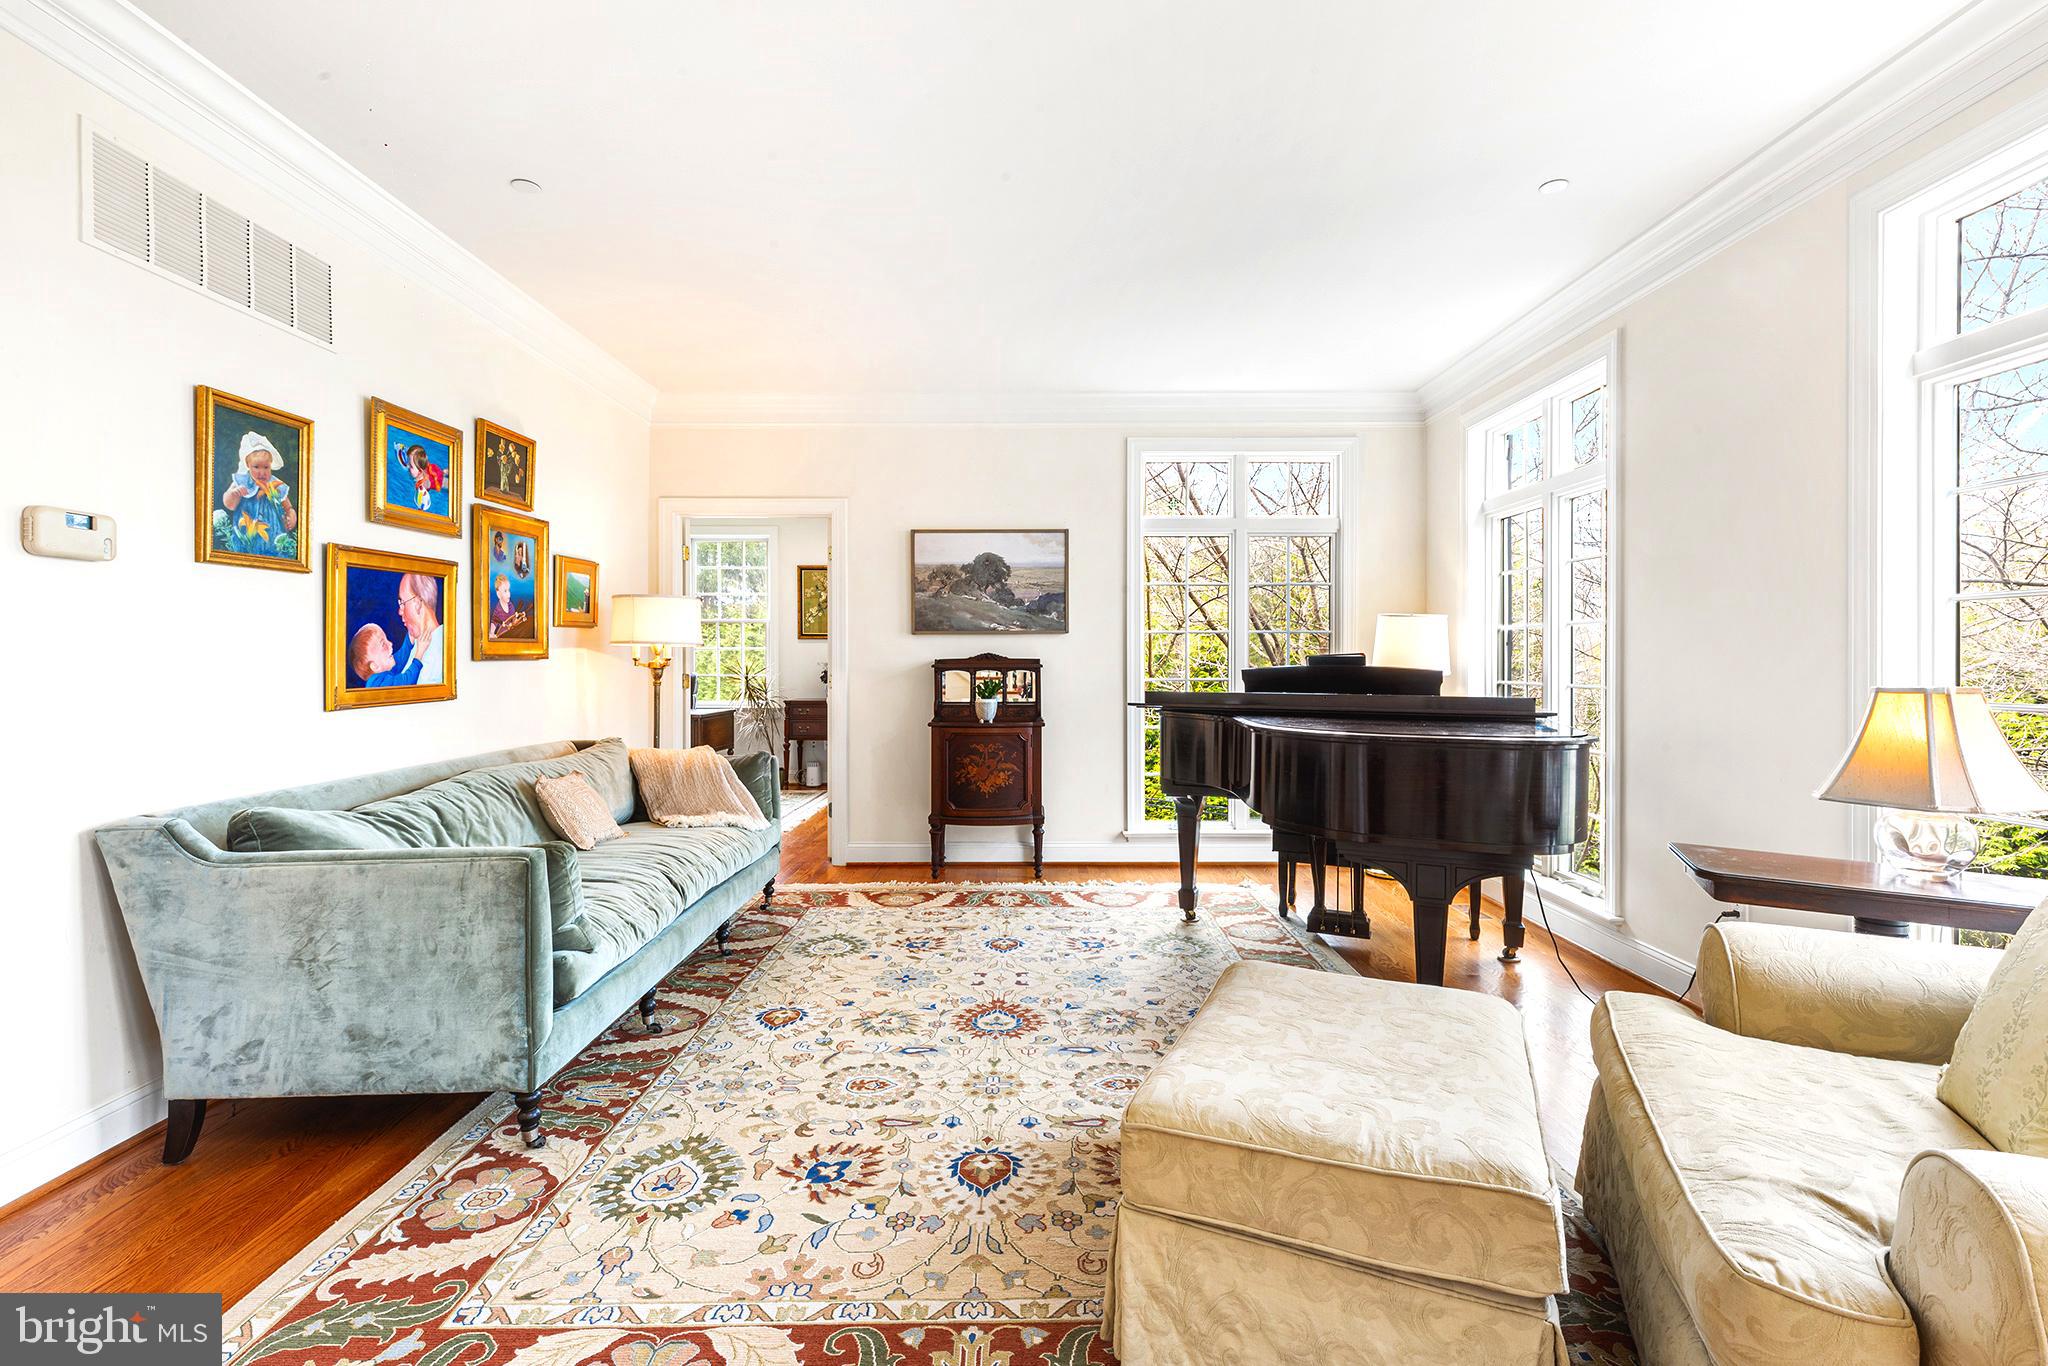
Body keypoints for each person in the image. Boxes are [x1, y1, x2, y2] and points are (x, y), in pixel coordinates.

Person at [221, 431, 297, 555]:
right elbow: (230, 505)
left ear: (271, 466)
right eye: (256, 467)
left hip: (274, 535)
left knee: (275, 552)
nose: (262, 472)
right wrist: (234, 493)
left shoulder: (276, 484)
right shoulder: (242, 481)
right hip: (247, 533)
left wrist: (291, 517)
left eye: (266, 467)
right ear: (248, 465)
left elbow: (288, 507)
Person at [391, 572, 444, 684]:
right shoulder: (418, 645)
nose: (400, 611)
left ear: (417, 604)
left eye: (402, 603)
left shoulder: (437, 654)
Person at [349, 622, 406, 688]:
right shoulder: (377, 683)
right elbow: (406, 680)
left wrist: (410, 639)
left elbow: (401, 656)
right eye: (383, 644)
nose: (390, 643)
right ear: (375, 666)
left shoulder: (385, 671)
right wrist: (417, 659)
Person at [405, 444, 446, 511]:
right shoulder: (421, 464)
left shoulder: (422, 484)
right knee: (442, 472)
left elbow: (423, 499)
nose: (407, 466)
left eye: (411, 466)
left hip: (437, 481)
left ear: (420, 471)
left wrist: (420, 507)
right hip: (432, 470)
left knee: (450, 484)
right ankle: (445, 472)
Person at [489, 573, 529, 640]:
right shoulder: (498, 610)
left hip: (512, 633)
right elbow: (494, 622)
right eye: (505, 591)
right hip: (503, 636)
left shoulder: (510, 605)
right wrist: (492, 633)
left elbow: (513, 619)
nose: (508, 593)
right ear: (499, 594)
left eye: (508, 590)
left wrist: (517, 620)